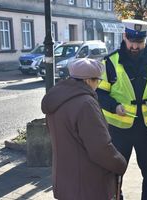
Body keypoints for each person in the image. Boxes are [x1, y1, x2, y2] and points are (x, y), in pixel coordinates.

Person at [96, 19, 147, 200]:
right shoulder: (110, 62)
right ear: (125, 37)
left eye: (139, 42)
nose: (135, 47)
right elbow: (99, 93)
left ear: (146, 40)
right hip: (119, 130)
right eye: (132, 42)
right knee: (115, 174)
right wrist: (115, 106)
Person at [41, 58, 127, 200]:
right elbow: (100, 148)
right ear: (88, 81)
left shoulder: (57, 98)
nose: (98, 85)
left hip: (64, 181)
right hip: (87, 186)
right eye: (97, 81)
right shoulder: (86, 104)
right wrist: (119, 163)